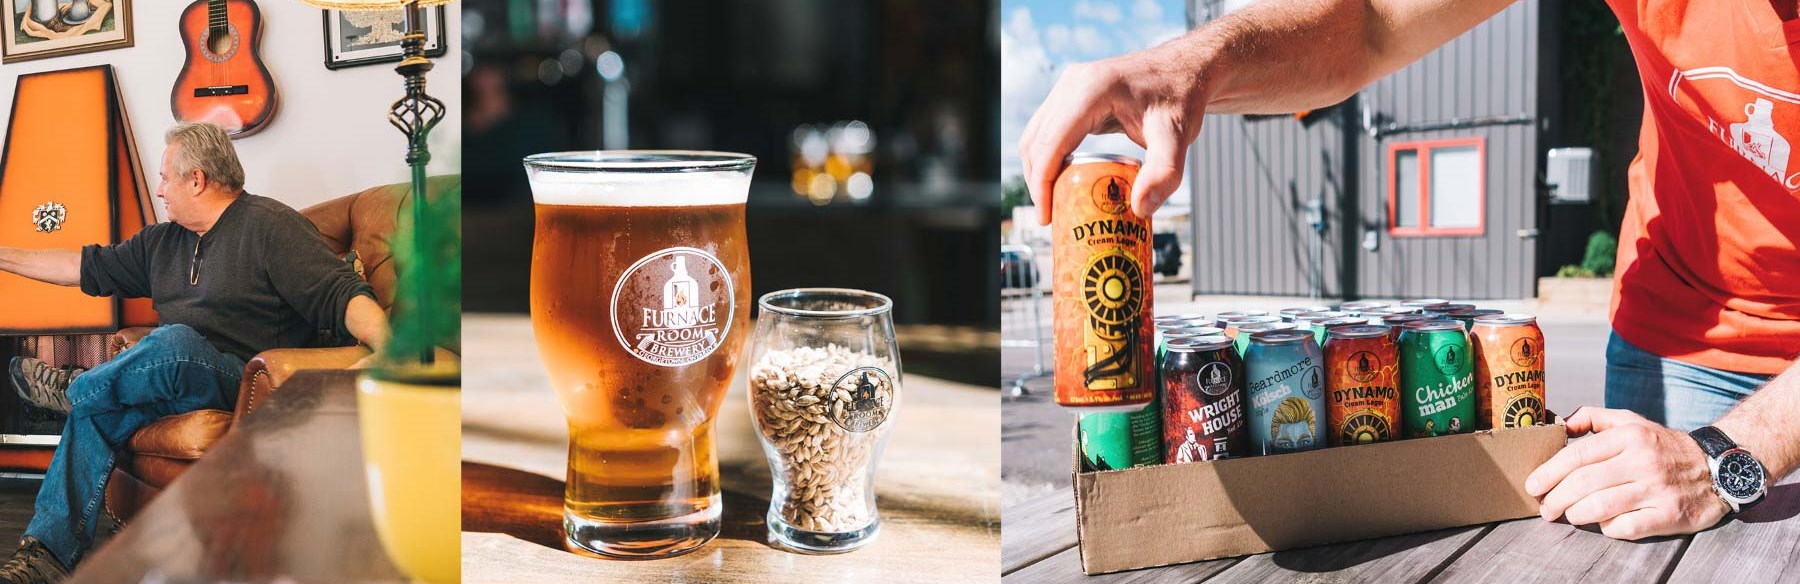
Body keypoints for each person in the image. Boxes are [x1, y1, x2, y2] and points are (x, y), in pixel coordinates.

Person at [1021, 0, 1799, 541]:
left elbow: (1732, 459)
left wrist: (1732, 455)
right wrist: (1188, 65)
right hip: (1682, 331)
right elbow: (1369, 24)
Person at [0, 122, 388, 583]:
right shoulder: (162, 242)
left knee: (172, 340)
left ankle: (76, 387)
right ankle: (46, 557)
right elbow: (79, 266)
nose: (160, 190)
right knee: (98, 408)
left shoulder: (271, 227)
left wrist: (388, 346)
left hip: (243, 384)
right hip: (170, 379)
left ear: (197, 180)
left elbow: (342, 294)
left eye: (166, 178)